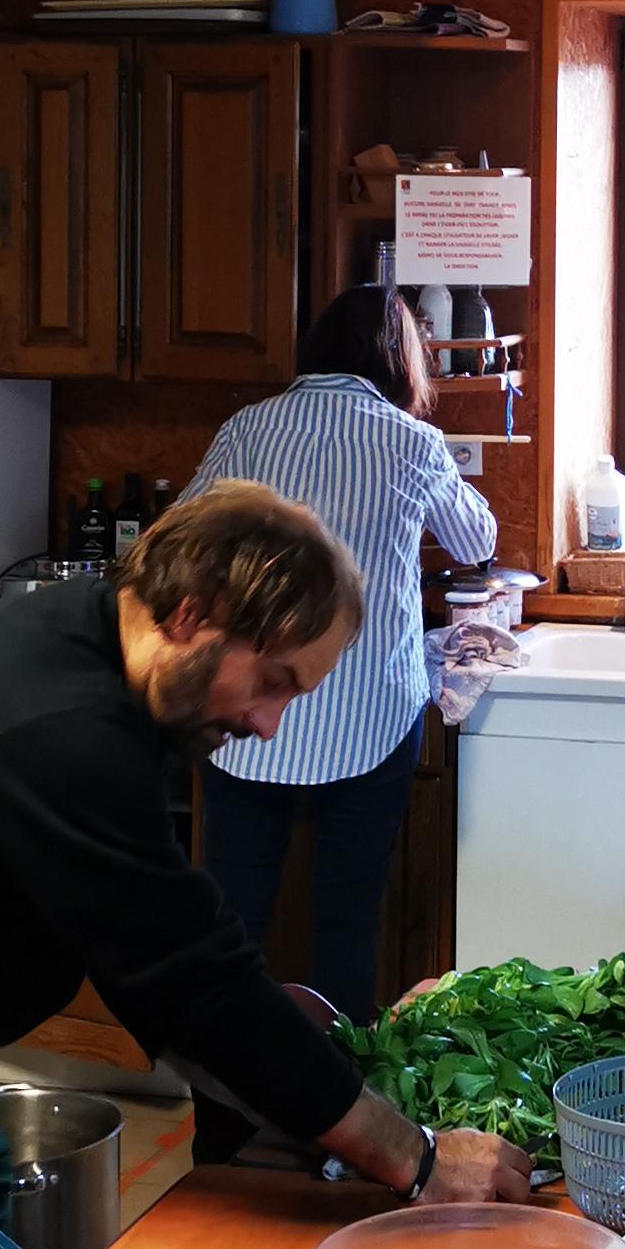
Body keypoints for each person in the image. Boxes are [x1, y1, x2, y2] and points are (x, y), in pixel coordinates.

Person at [0, 478, 531, 1212]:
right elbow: (197, 989)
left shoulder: (70, 639)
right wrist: (416, 1157)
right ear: (191, 613)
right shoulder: (55, 732)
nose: (269, 723)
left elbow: (159, 935)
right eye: (271, 683)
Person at [186, 286, 497, 1022]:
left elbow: (180, 538)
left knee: (228, 931)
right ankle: (341, 1127)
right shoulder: (410, 440)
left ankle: (221, 1126)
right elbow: (477, 542)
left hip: (245, 714)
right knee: (346, 932)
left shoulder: (248, 429)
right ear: (399, 361)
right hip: (369, 719)